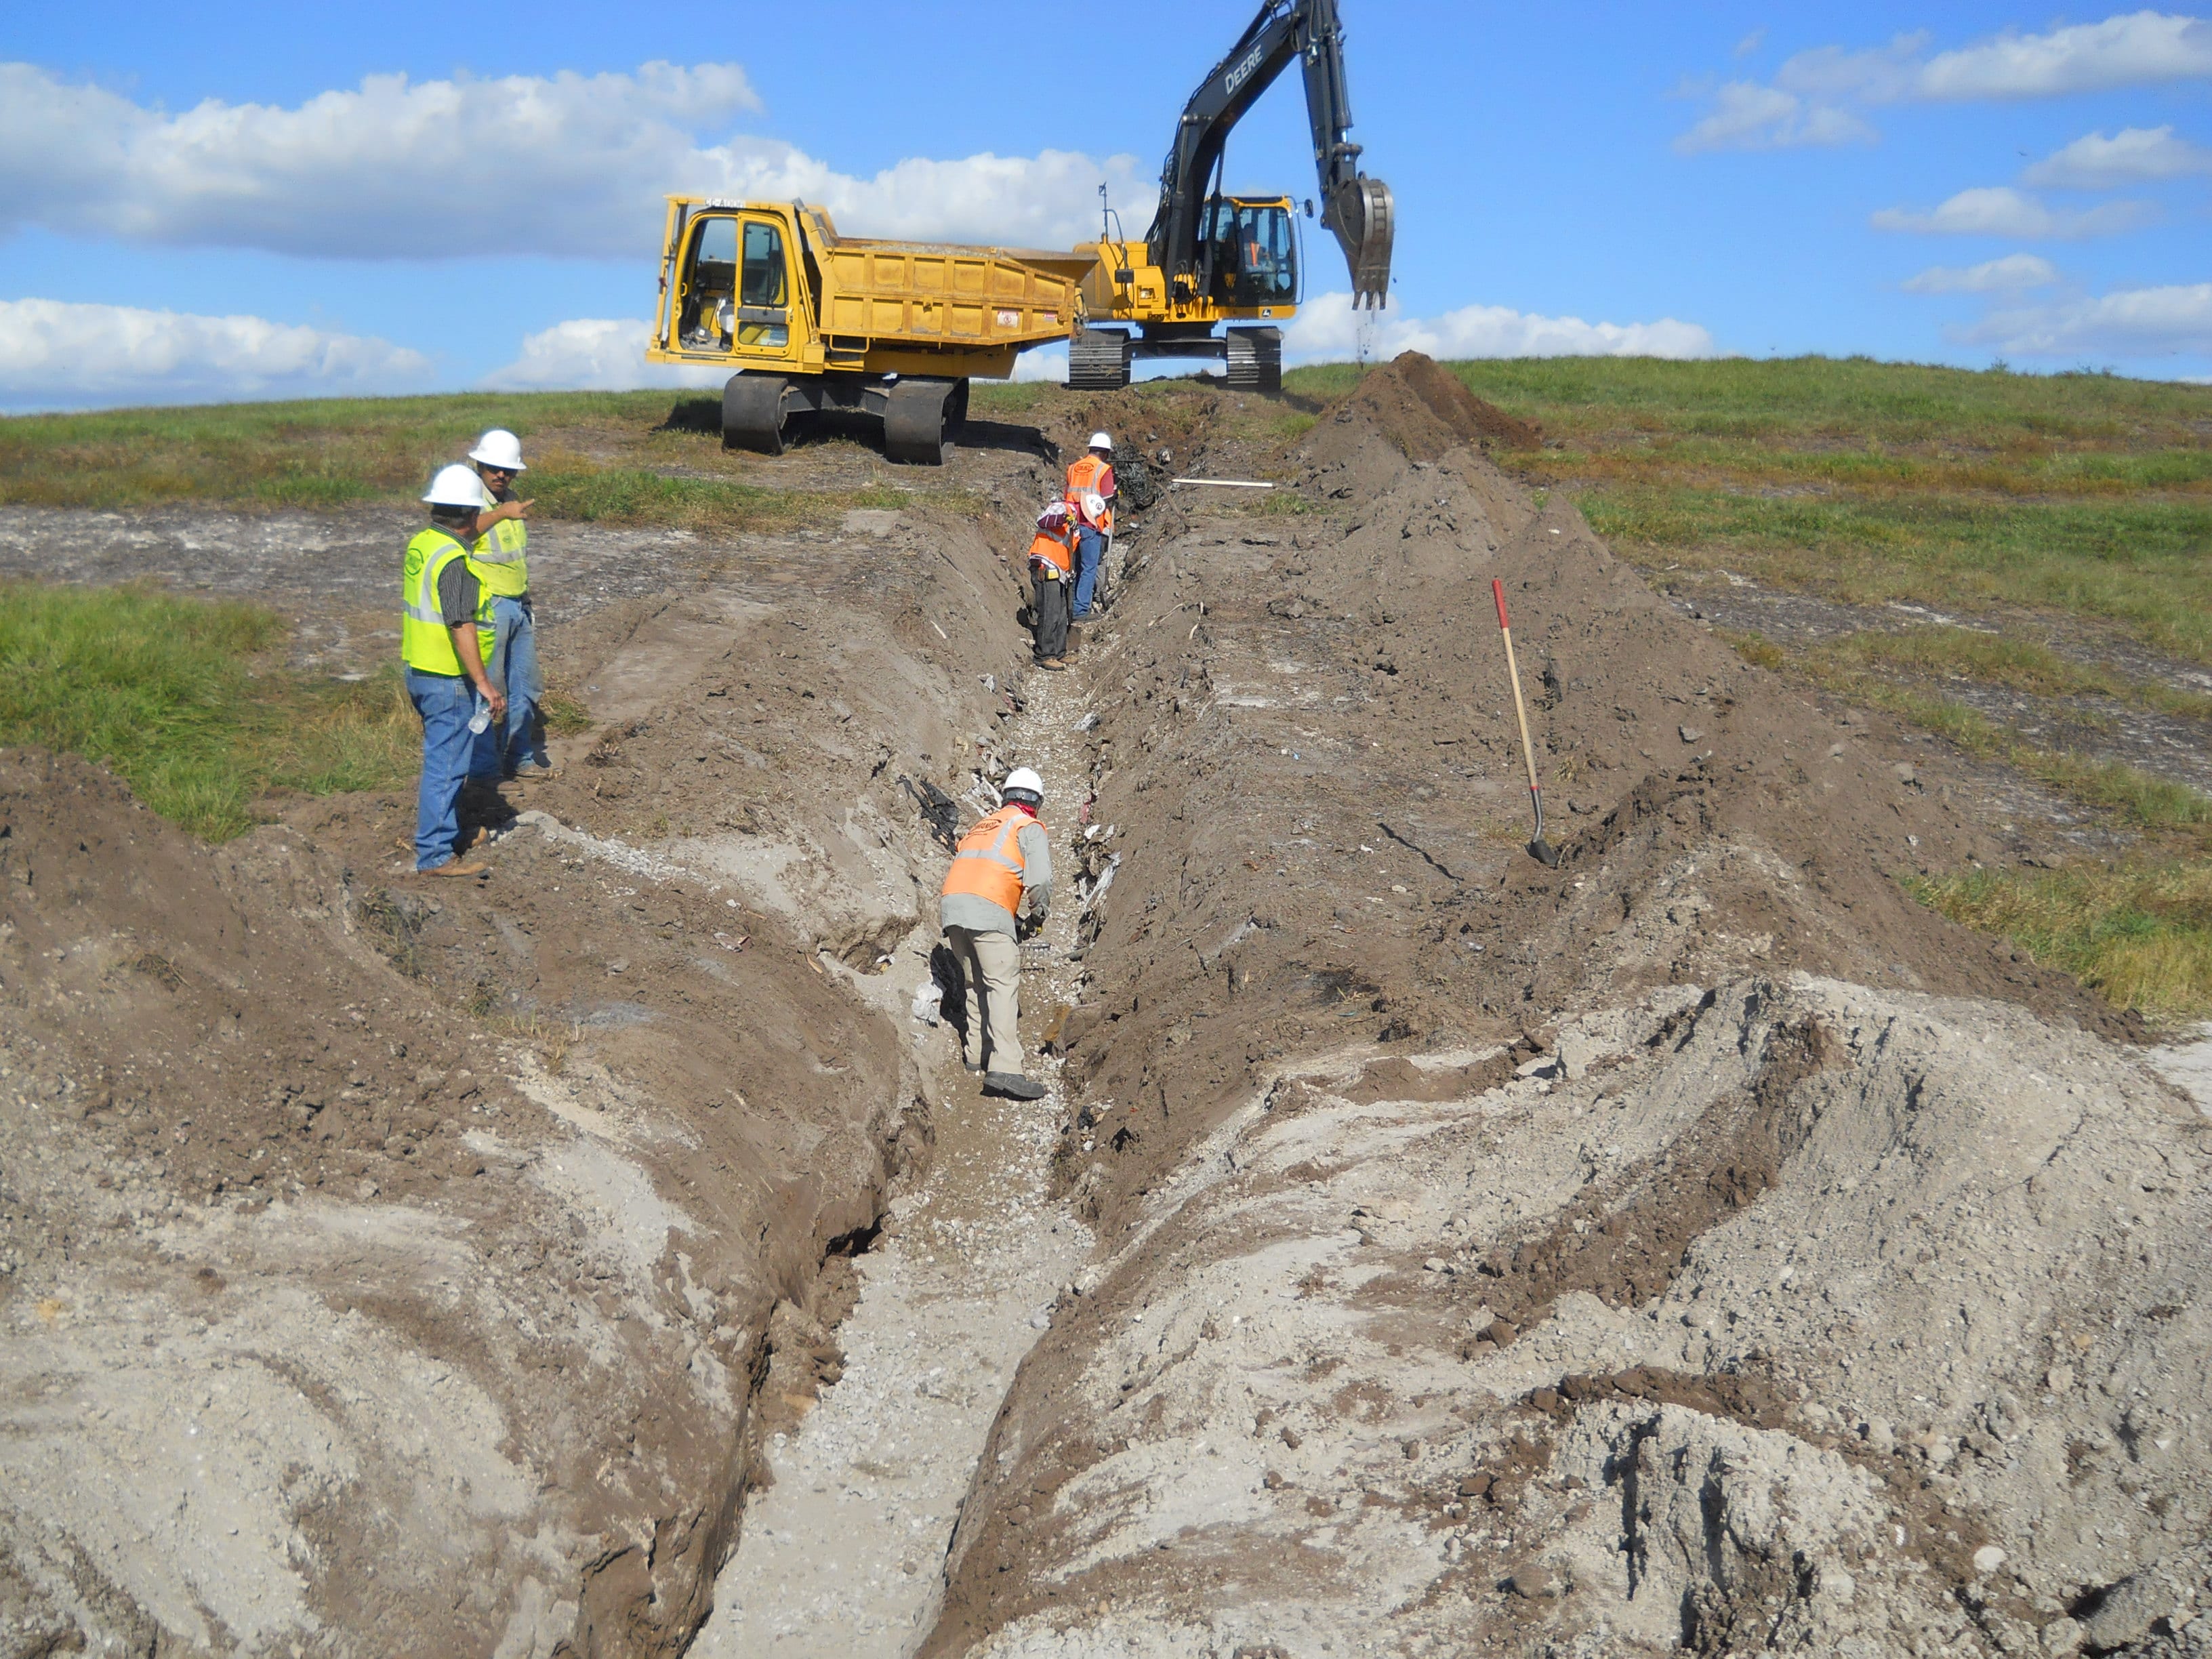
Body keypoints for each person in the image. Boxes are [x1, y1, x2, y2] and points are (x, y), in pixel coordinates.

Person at [403, 465, 521, 877]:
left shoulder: (423, 543)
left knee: (446, 760)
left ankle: (447, 833)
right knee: (447, 765)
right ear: (473, 517)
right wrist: (485, 684)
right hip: (447, 678)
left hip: (419, 668)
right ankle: (434, 854)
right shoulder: (456, 562)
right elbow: (460, 623)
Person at [938, 766, 1054, 1100]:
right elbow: (1041, 881)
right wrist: (1037, 916)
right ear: (1036, 802)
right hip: (989, 908)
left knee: (975, 983)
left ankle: (978, 1054)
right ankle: (1006, 1069)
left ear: (1007, 796)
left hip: (953, 907)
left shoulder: (983, 825)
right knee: (1002, 985)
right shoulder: (1027, 826)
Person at [464, 430, 550, 782]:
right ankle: (483, 769)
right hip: (489, 608)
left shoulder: (510, 500)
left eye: (508, 470)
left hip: (517, 606)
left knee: (527, 686)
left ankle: (520, 756)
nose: (501, 475)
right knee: (489, 690)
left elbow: (515, 558)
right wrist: (502, 513)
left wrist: (526, 600)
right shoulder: (471, 498)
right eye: (494, 469)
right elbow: (463, 532)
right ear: (479, 465)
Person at [1063, 431, 1116, 622]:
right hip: (1091, 524)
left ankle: (1068, 606)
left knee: (1074, 567)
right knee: (1088, 568)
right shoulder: (1104, 469)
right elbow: (1107, 498)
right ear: (1105, 453)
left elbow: (1067, 494)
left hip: (1071, 523)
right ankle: (1080, 610)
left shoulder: (1073, 468)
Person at [1026, 502, 1077, 672]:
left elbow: (1066, 551)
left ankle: (1058, 651)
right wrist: (1064, 518)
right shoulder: (1061, 508)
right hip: (1045, 566)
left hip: (1060, 572)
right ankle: (1044, 655)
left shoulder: (1076, 524)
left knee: (1062, 614)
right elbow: (1043, 521)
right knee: (1050, 612)